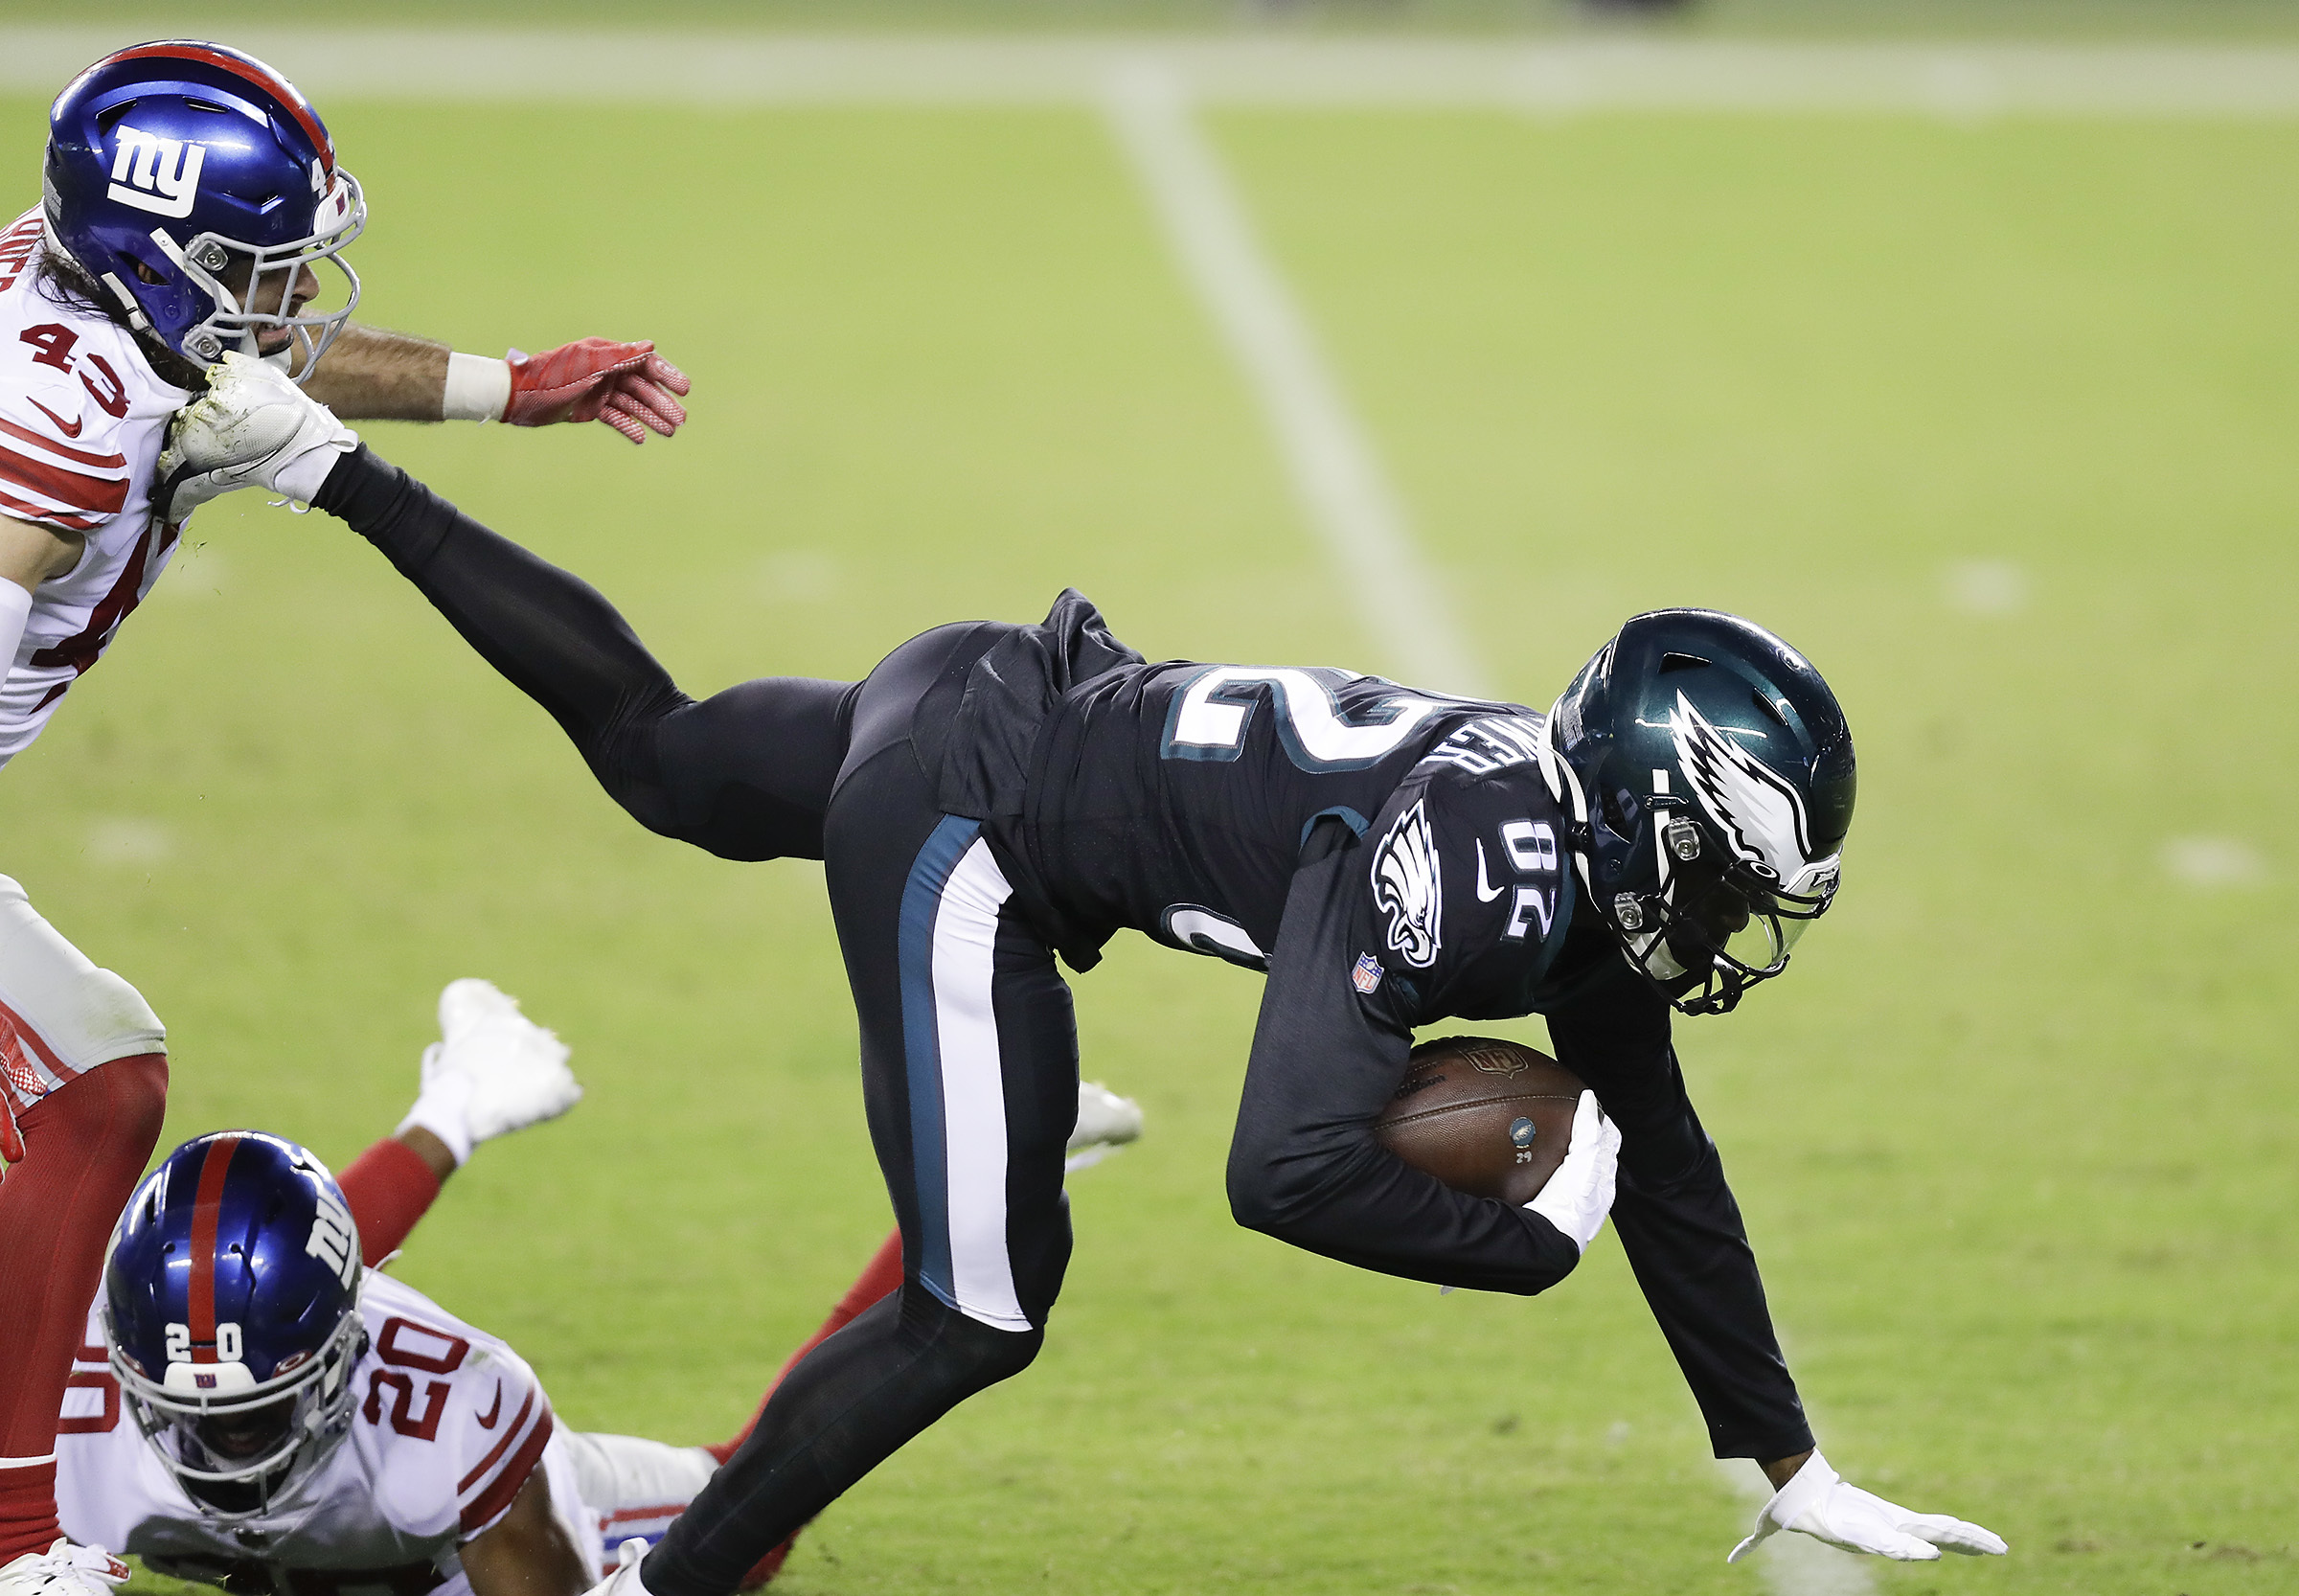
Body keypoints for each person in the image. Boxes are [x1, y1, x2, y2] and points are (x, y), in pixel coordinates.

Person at [157, 357, 2009, 1584]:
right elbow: (1282, 1167)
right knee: (982, 1305)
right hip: (980, 833)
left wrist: (1783, 1458)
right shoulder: (1482, 861)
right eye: (1724, 869)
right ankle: (672, 1581)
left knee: (658, 757)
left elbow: (1662, 1145)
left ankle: (326, 466)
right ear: (1641, 812)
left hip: (980, 686)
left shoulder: (1564, 858)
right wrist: (1526, 1236)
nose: (1727, 920)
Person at [0, 41, 694, 1596]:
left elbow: (278, 362)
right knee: (98, 1084)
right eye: (248, 267)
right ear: (152, 260)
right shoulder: (69, 415)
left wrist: (509, 391)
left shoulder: (98, 308)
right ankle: (16, 1543)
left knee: (92, 1084)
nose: (287, 298)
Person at [54, 976, 1150, 1596]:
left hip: (441, 1561)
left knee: (744, 1515)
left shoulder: (455, 1408)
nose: (226, 1451)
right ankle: (462, 1098)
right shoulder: (55, 1426)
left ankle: (1004, 1166)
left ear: (347, 1354)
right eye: (200, 1417)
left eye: (258, 1415)